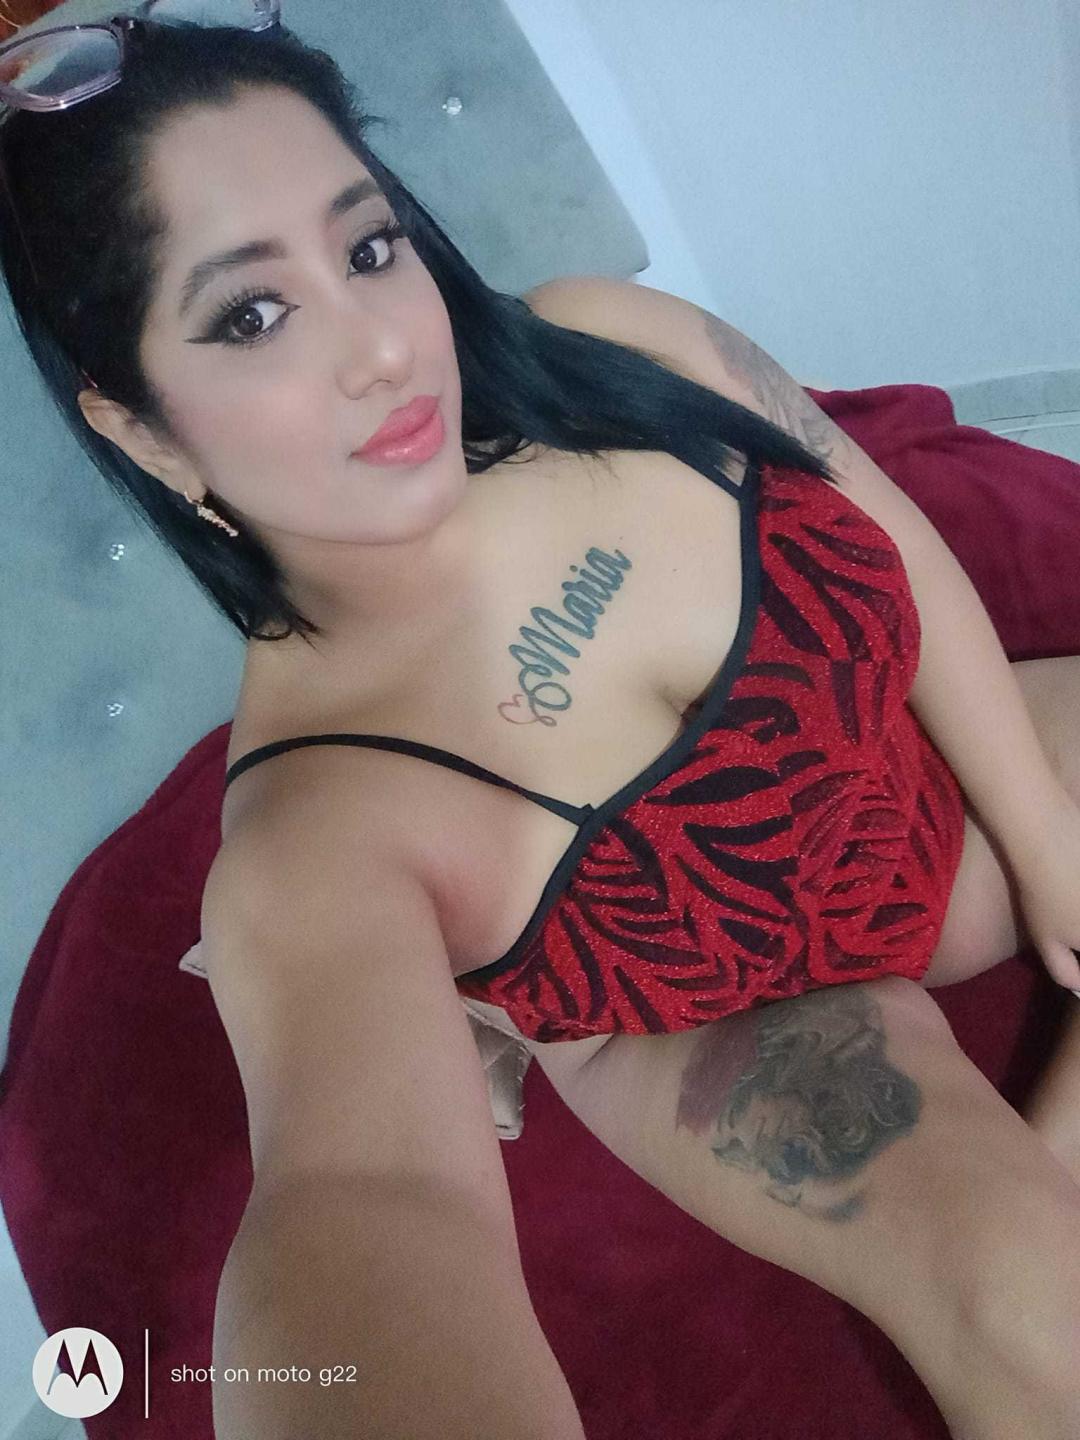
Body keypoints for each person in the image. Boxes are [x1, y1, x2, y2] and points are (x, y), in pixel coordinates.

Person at [5, 11, 1080, 1439]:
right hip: (762, 1016)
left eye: (368, 248)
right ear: (143, 430)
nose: (383, 349)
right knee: (1039, 1316)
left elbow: (869, 506)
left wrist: (1046, 836)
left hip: (960, 777)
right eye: (253, 315)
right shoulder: (319, 834)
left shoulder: (610, 340)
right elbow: (365, 1203)